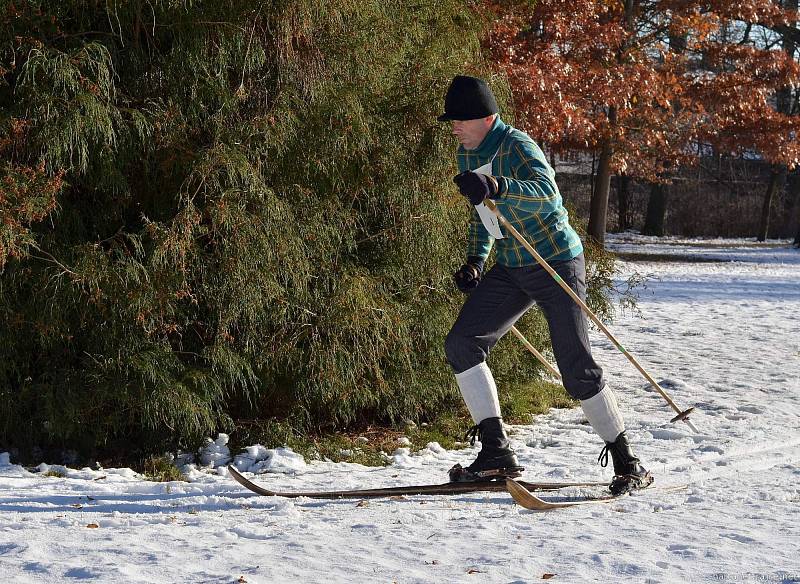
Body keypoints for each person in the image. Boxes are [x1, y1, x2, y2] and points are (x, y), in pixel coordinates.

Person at [438, 75, 652, 495]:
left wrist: (499, 184)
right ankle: (496, 452)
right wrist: (474, 261)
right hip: (512, 264)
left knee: (576, 367)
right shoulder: (467, 155)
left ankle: (628, 461)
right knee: (462, 343)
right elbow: (484, 214)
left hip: (555, 261)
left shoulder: (517, 146)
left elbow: (547, 193)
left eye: (460, 120)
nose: (454, 127)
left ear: (486, 117)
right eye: (452, 122)